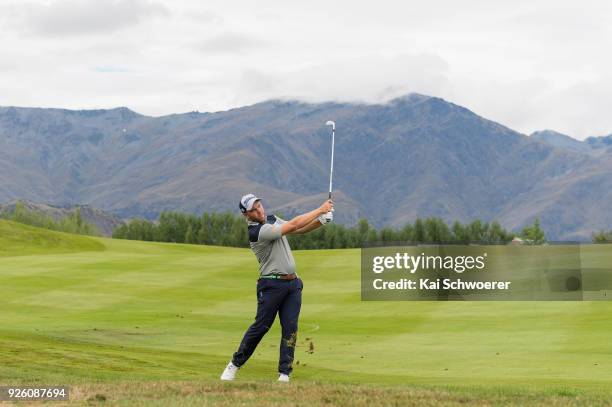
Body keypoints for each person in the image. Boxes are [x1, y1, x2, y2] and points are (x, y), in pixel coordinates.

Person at [220, 193, 334, 382]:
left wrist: (322, 221)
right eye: (254, 210)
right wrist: (320, 210)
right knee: (261, 327)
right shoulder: (257, 231)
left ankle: (284, 375)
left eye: (259, 206)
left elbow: (300, 230)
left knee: (290, 328)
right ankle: (234, 364)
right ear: (246, 215)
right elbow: (294, 225)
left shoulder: (272, 220)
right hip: (271, 285)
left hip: (292, 284)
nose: (259, 210)